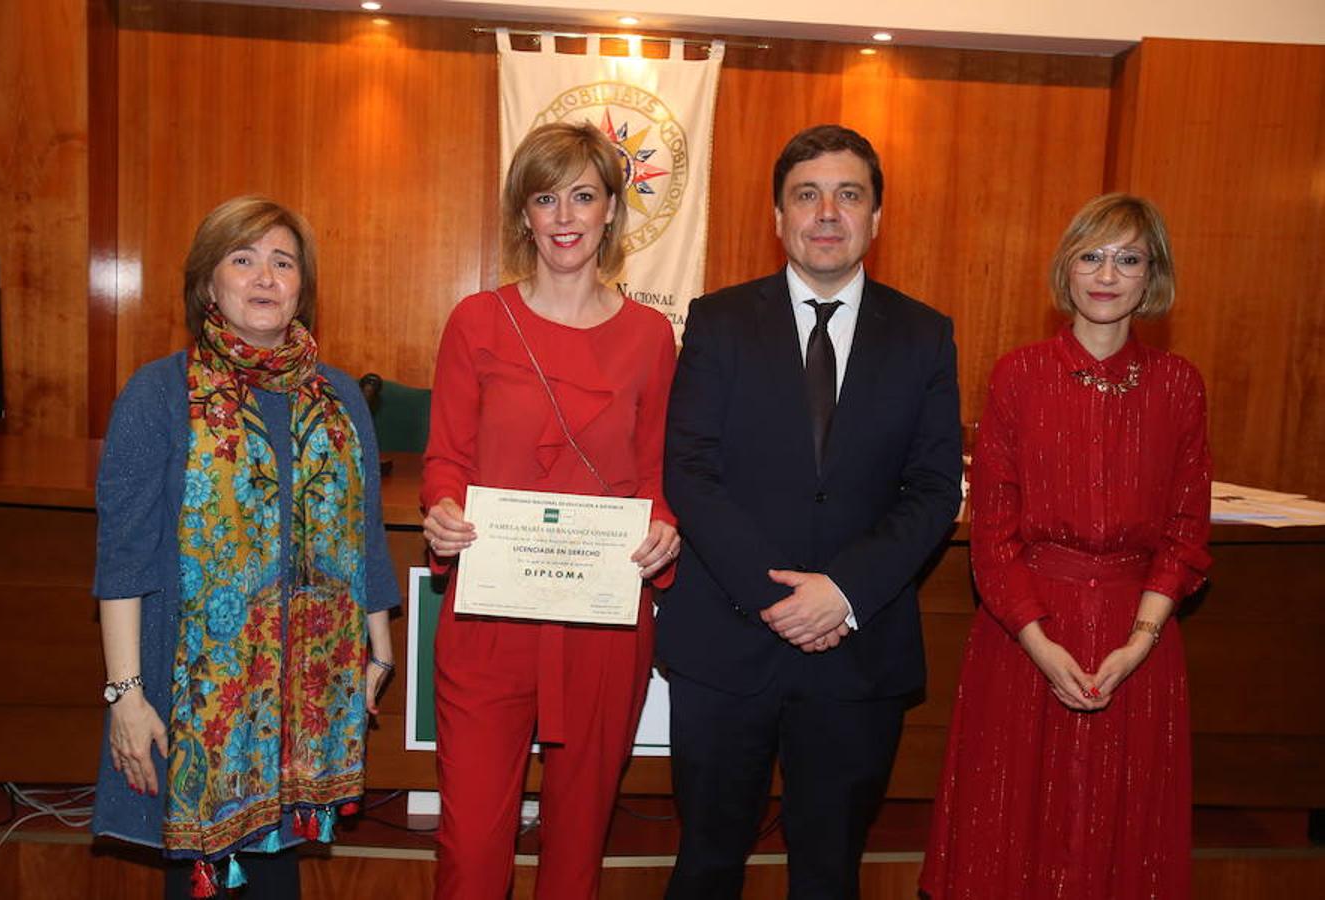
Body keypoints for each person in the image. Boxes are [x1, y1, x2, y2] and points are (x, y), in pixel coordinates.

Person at [658, 124, 963, 899]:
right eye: (807, 195)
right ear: (777, 217)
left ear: (876, 219)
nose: (827, 212)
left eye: (849, 194)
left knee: (830, 873)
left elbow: (933, 490)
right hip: (727, 645)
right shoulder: (718, 321)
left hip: (857, 654)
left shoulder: (925, 336)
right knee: (705, 866)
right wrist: (774, 597)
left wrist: (842, 593)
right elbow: (689, 471)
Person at [92, 196, 400, 899]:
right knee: (202, 877)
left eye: (282, 262)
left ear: (301, 288)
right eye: (244, 258)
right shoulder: (160, 393)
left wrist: (378, 650)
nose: (265, 277)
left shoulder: (342, 397)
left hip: (309, 695)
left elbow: (365, 533)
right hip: (193, 692)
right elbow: (123, 560)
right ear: (208, 284)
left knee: (277, 874)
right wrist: (127, 697)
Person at [919, 193, 1212, 899]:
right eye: (1092, 255)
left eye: (1128, 258)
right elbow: (992, 535)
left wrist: (1139, 643)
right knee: (1009, 826)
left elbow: (1185, 533)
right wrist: (1041, 644)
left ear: (1152, 277)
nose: (1107, 274)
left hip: (1135, 642)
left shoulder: (1180, 386)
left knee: (1121, 836)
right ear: (1067, 269)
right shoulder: (1017, 376)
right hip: (1023, 636)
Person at [420, 121, 680, 900]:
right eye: (545, 198)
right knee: (470, 847)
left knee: (575, 850)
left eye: (583, 196)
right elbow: (446, 457)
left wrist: (666, 524)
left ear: (610, 212)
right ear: (523, 215)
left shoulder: (651, 337)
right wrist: (440, 509)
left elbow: (663, 468)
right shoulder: (477, 322)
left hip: (601, 624)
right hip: (490, 623)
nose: (564, 217)